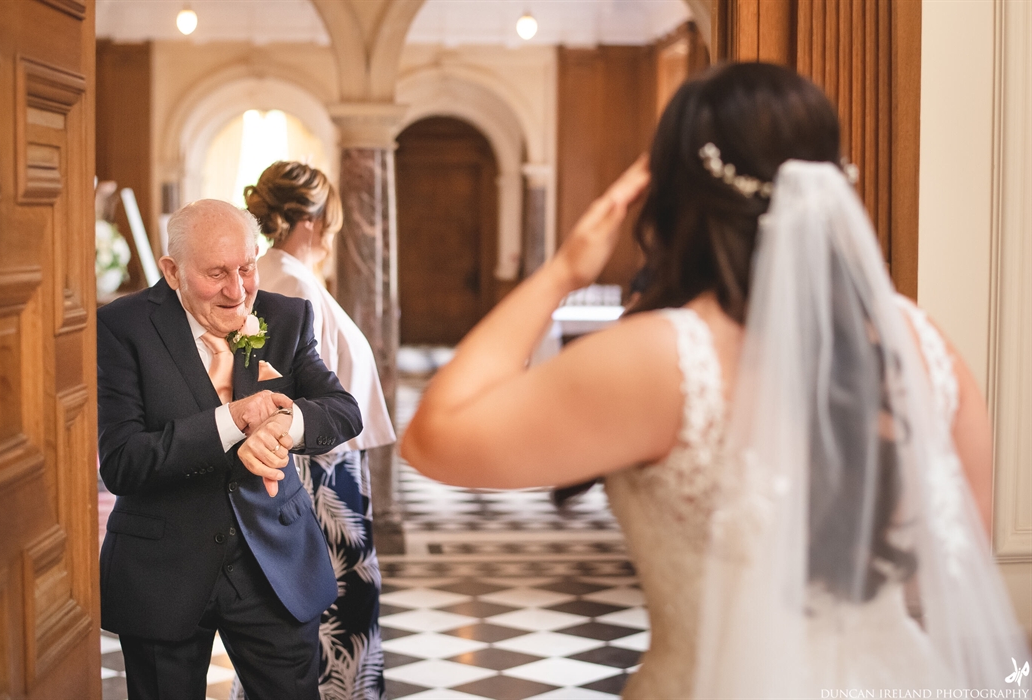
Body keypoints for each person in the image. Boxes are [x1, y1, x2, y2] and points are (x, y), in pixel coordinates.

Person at [401, 63, 1029, 698]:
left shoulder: (666, 359)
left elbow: (433, 437)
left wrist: (564, 269)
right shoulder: (919, 342)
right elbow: (958, 552)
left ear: (672, 193)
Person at [97, 198, 363, 700]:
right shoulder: (121, 327)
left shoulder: (285, 316)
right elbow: (122, 462)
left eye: (246, 267)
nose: (238, 290)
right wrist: (234, 419)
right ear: (172, 272)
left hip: (274, 567)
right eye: (217, 273)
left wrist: (285, 423)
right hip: (163, 570)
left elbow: (343, 410)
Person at [241, 161, 395, 699]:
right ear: (312, 220)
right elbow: (287, 391)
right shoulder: (289, 281)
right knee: (334, 604)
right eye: (332, 219)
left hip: (325, 461)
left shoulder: (283, 274)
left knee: (333, 604)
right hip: (318, 473)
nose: (334, 232)